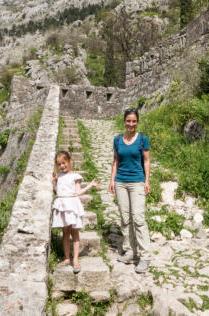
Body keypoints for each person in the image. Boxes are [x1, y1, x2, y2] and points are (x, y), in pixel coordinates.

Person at [109, 108, 151, 273]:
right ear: (124, 121)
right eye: (128, 121)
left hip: (137, 182)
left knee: (139, 218)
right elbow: (115, 161)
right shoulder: (117, 139)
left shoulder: (142, 139)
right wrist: (112, 180)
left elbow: (146, 161)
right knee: (125, 219)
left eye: (134, 121)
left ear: (137, 122)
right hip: (120, 182)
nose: (131, 124)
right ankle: (130, 251)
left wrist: (147, 181)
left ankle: (145, 256)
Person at [52, 150, 99, 273]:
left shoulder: (75, 176)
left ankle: (76, 259)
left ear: (69, 161)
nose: (62, 166)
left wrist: (90, 185)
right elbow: (57, 191)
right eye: (59, 164)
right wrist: (54, 181)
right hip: (62, 205)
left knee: (75, 233)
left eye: (64, 163)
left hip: (72, 206)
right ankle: (67, 258)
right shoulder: (58, 175)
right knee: (65, 232)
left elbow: (78, 192)